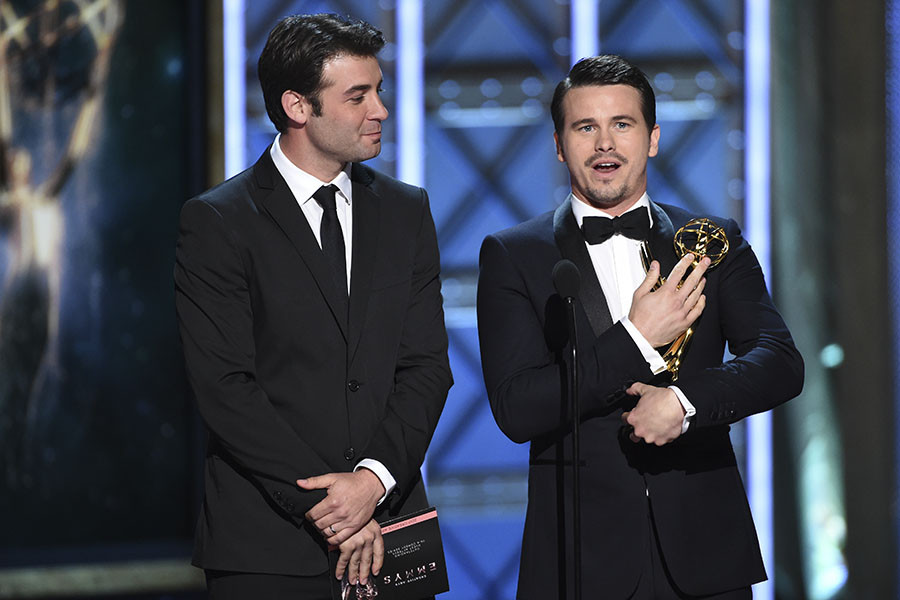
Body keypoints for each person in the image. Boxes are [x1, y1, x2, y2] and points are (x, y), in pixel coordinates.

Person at [476, 55, 803, 599]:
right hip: (581, 563)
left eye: (622, 125)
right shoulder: (515, 255)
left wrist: (684, 403)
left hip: (706, 554)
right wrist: (634, 338)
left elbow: (778, 361)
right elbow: (517, 406)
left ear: (652, 138)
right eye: (586, 127)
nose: (605, 144)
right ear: (559, 145)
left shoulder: (709, 241)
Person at [175, 13, 451, 599]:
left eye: (379, 90)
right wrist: (332, 506)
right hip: (270, 547)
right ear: (298, 106)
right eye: (358, 96)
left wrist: (371, 483)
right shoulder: (220, 221)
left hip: (391, 528)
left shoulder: (406, 212)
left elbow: (426, 367)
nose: (380, 109)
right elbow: (226, 387)